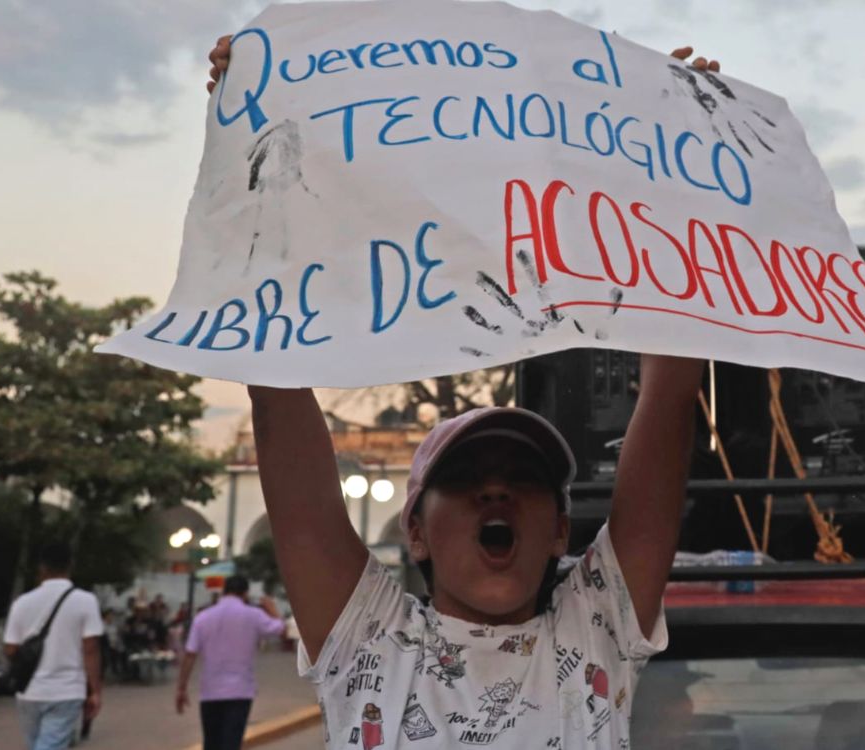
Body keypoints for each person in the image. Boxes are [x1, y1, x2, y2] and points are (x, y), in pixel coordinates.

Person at [208, 33, 715, 749]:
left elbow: (671, 392)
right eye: (467, 478)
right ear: (415, 530)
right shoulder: (367, 642)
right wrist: (252, 149)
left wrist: (680, 169)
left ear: (560, 533)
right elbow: (277, 390)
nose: (496, 493)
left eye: (524, 481)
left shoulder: (593, 634)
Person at [4, 540, 103, 750]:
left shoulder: (22, 603)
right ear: (70, 565)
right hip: (67, 690)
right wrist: (95, 690)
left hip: (28, 691)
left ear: (41, 567)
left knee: (39, 745)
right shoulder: (86, 601)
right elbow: (91, 650)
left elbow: (10, 649)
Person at [175, 575, 286, 750]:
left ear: (223, 591)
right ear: (245, 593)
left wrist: (182, 687)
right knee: (231, 743)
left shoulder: (203, 617)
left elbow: (190, 655)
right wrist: (272, 609)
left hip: (210, 691)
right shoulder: (253, 615)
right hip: (240, 690)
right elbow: (280, 629)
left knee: (211, 743)